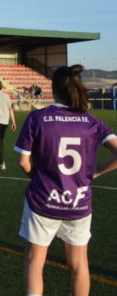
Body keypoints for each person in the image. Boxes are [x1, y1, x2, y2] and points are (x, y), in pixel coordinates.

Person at [14, 65, 117, 296]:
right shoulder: (91, 121)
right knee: (79, 264)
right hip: (79, 203)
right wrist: (96, 173)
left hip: (43, 201)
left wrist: (37, 178)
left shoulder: (38, 117)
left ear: (53, 89)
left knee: (35, 261)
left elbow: (23, 162)